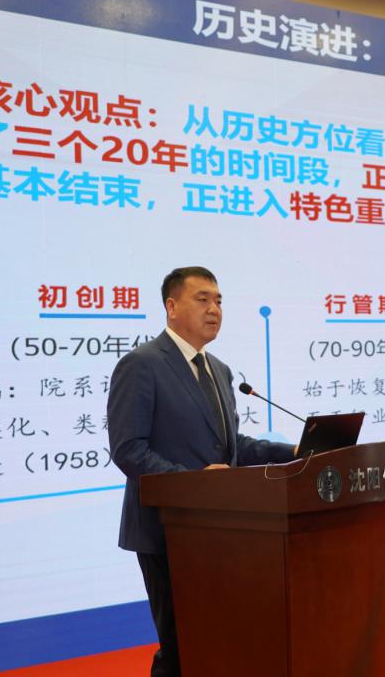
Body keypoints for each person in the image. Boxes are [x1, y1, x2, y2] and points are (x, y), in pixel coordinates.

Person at [107, 266, 296, 677]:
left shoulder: (220, 370)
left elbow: (233, 448)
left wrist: (296, 452)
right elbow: (128, 449)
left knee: (217, 643)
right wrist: (193, 484)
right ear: (171, 307)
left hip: (220, 529)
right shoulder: (141, 365)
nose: (214, 309)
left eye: (219, 301)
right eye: (203, 299)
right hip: (167, 530)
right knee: (181, 648)